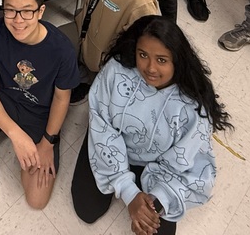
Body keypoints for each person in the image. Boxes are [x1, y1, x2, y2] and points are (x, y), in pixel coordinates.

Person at [71, 16, 231, 235]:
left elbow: (189, 162)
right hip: (112, 143)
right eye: (143, 55)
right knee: (87, 210)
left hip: (160, 164)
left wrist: (155, 199)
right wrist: (128, 192)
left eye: (162, 60)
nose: (150, 68)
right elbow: (103, 125)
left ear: (177, 59)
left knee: (155, 230)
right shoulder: (116, 71)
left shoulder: (193, 105)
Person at [0, 0, 79, 211]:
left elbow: (61, 98)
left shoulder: (61, 50)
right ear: (2, 8)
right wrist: (16, 135)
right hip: (4, 99)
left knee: (36, 200)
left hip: (39, 113)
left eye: (27, 11)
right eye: (10, 10)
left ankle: (29, 145)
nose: (18, 20)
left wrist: (47, 142)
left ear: (40, 11)